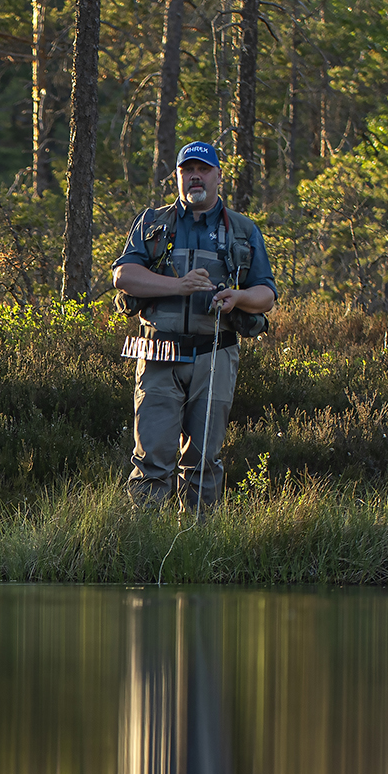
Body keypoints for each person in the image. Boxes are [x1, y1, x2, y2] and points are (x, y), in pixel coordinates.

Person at [111, 141, 278, 510]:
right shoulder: (153, 223)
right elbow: (124, 275)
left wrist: (237, 297)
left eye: (203, 169)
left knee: (204, 461)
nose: (195, 177)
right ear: (177, 176)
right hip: (157, 353)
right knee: (151, 458)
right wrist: (179, 286)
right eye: (187, 170)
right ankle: (142, 547)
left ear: (219, 175)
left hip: (214, 355)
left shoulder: (242, 230)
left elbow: (266, 294)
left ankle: (199, 548)